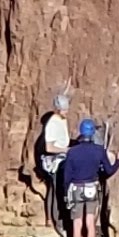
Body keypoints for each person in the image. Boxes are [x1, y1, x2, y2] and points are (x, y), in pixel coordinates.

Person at [58, 115, 118, 237]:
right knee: (90, 223)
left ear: (81, 132)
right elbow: (109, 170)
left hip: (76, 188)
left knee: (77, 224)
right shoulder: (99, 151)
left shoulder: (72, 152)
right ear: (92, 134)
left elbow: (67, 176)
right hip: (92, 187)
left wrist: (65, 193)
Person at [34, 90, 72, 229]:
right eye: (64, 109)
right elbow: (49, 148)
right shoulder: (52, 124)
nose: (66, 111)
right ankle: (52, 218)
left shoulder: (62, 120)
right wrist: (66, 150)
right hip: (53, 161)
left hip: (62, 157)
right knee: (55, 188)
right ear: (57, 109)